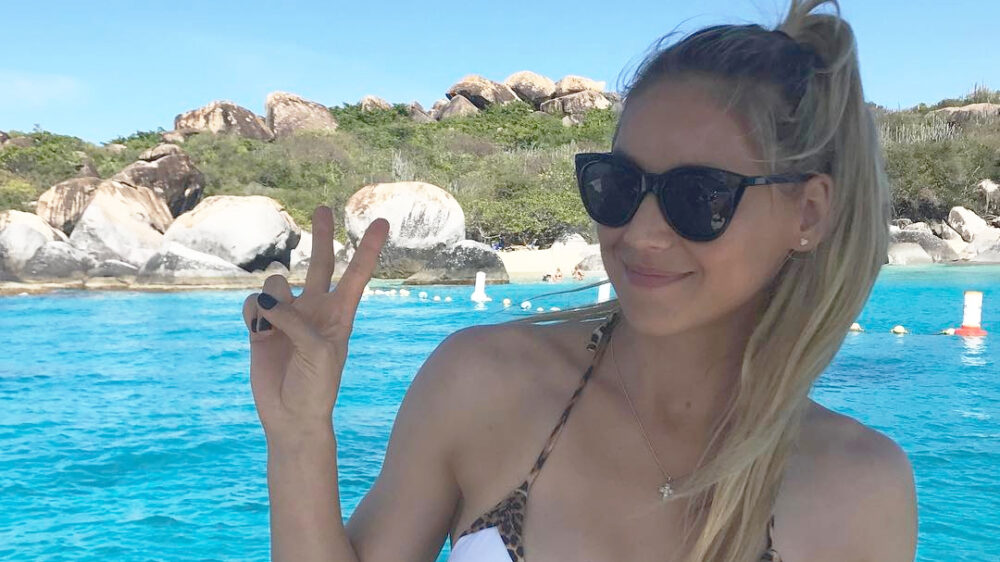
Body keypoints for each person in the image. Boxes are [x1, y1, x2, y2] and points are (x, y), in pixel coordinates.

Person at [243, 1, 918, 560]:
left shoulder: (858, 489)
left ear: (808, 213)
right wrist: (298, 438)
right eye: (618, 184)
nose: (642, 233)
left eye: (699, 196)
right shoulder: (482, 383)